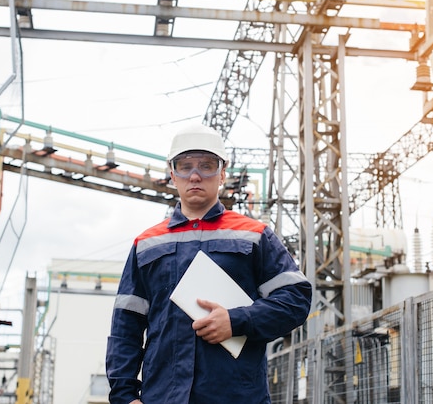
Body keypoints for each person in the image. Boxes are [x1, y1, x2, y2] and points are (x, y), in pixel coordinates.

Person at [106, 124, 312, 404]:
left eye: (207, 165)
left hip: (237, 397)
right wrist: (124, 396)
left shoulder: (254, 235)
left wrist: (237, 320)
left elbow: (296, 299)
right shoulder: (147, 243)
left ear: (222, 174)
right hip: (163, 397)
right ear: (172, 174)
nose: (194, 175)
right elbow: (125, 326)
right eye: (185, 166)